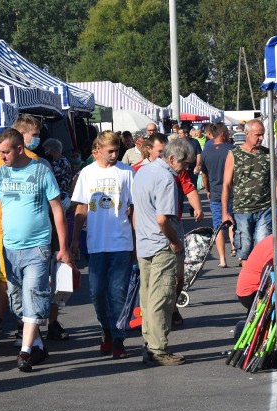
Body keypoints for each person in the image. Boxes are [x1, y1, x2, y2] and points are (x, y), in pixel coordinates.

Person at [0, 128, 73, 372]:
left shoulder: (41, 170)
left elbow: (57, 210)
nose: (2, 157)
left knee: (35, 294)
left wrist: (63, 247)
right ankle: (38, 346)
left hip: (37, 247)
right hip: (9, 249)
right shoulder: (0, 173)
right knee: (17, 301)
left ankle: (25, 352)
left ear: (19, 149)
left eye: (5, 152)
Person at [70, 131, 135, 359]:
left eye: (117, 150)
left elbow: (133, 208)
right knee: (97, 292)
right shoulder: (87, 174)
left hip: (121, 242)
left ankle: (118, 338)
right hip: (96, 242)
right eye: (111, 151)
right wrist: (74, 240)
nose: (115, 154)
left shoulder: (127, 172)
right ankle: (106, 329)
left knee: (118, 291)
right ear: (98, 149)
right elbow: (80, 208)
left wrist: (136, 241)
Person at [133, 139, 194, 366]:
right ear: (171, 159)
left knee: (148, 298)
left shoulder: (142, 172)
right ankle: (158, 348)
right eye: (184, 164)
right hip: (161, 245)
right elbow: (163, 218)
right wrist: (175, 241)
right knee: (162, 298)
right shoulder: (166, 178)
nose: (185, 169)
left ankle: (150, 343)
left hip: (145, 243)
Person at [221, 119, 277, 266]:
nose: (261, 138)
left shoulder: (267, 154)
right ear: (247, 134)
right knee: (245, 249)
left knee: (264, 246)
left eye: (262, 134)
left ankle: (262, 283)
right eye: (258, 135)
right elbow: (226, 185)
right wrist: (225, 212)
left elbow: (275, 183)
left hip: (265, 209)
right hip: (242, 210)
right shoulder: (234, 154)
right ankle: (249, 282)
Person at [201, 123, 236, 267]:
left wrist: (208, 189)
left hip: (215, 193)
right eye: (227, 132)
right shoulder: (232, 150)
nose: (228, 134)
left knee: (218, 225)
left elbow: (204, 175)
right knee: (234, 223)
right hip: (233, 192)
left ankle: (222, 258)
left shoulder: (206, 152)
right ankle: (237, 250)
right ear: (222, 134)